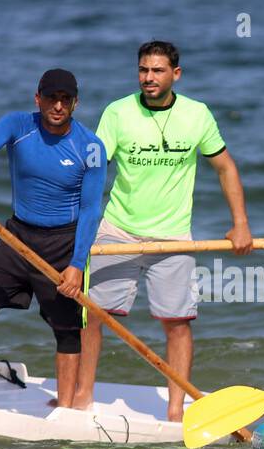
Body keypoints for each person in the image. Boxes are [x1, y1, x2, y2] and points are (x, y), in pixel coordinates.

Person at [75, 40, 253, 421]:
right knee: (92, 316)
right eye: (143, 70)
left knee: (177, 323)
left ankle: (175, 410)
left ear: (176, 74)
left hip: (172, 237)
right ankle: (81, 398)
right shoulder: (118, 112)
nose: (148, 78)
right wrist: (76, 225)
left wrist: (240, 224)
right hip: (118, 229)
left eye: (157, 71)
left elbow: (225, 168)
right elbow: (93, 171)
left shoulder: (196, 114)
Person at [0, 69, 105, 402]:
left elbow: (90, 211)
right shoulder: (19, 125)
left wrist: (76, 264)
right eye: (51, 98)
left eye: (65, 100)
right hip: (17, 238)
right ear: (37, 99)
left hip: (63, 243)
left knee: (67, 328)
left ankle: (67, 407)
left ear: (75, 103)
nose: (57, 106)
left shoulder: (91, 147)